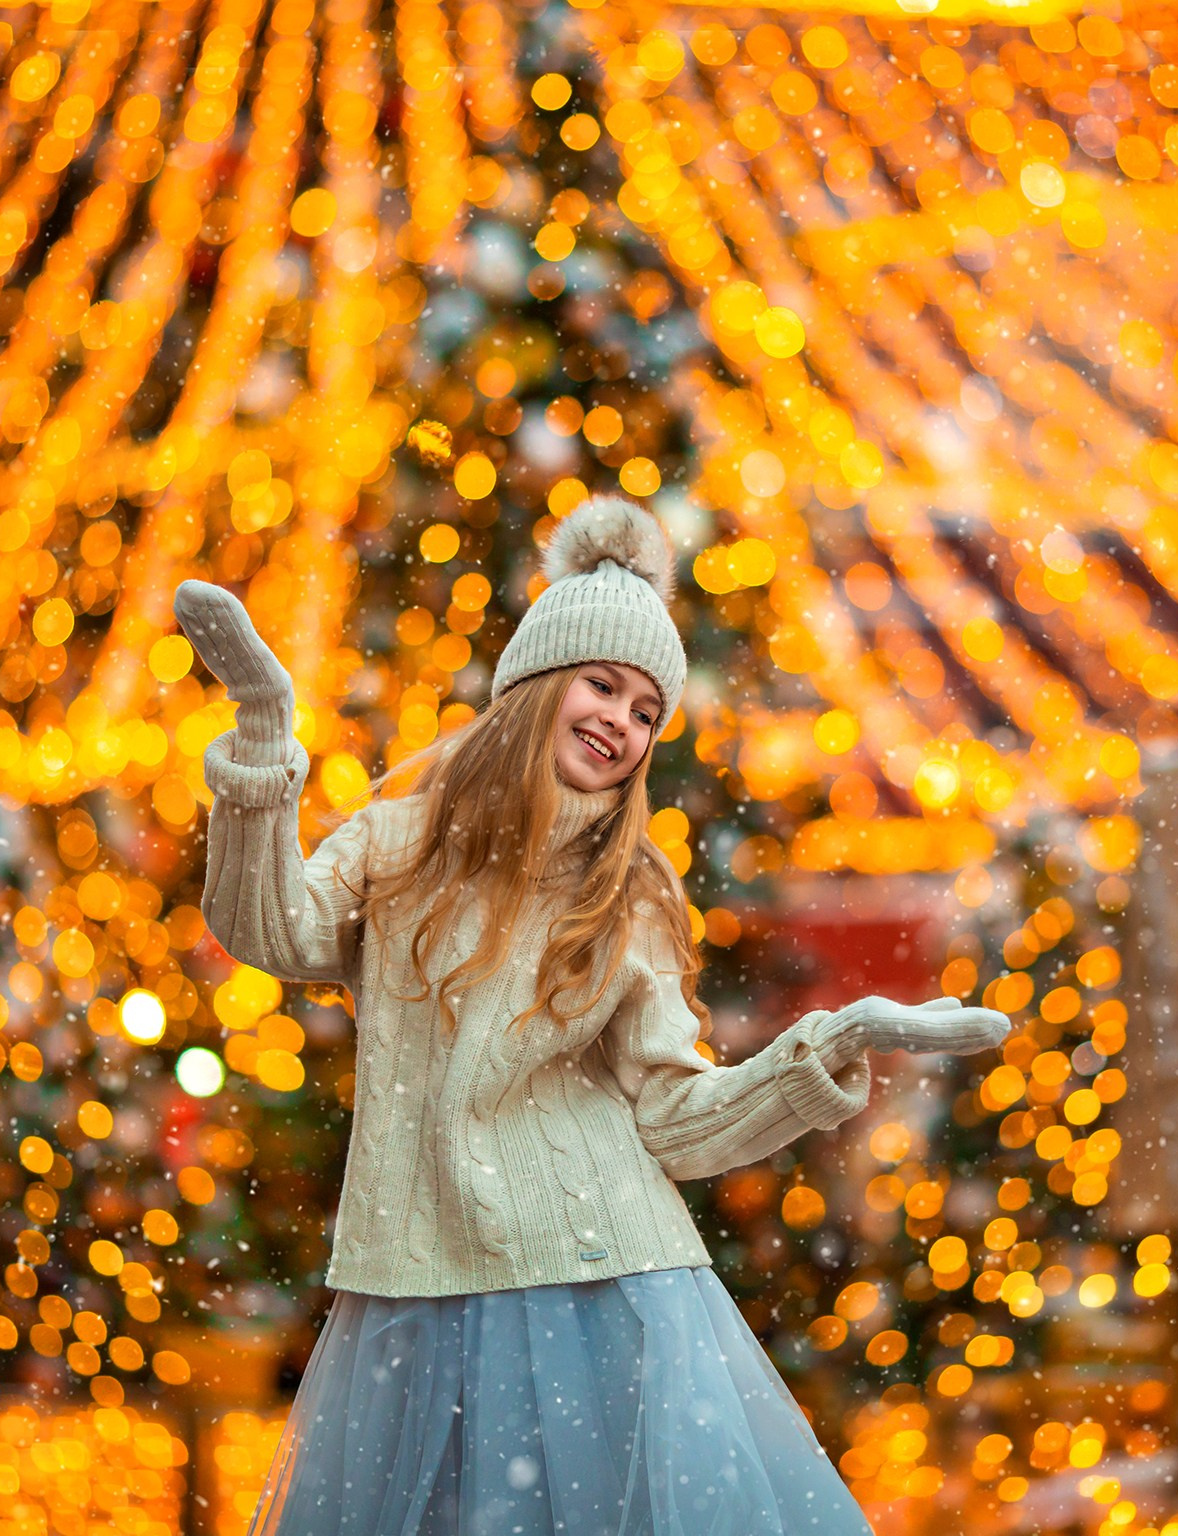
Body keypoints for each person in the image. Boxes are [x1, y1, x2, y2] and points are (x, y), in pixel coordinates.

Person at [174, 495, 1010, 1535]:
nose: (621, 720)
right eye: (602, 685)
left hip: (606, 1279)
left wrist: (826, 1047)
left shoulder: (629, 895)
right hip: (414, 1281)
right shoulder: (399, 843)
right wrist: (262, 737)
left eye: (646, 711)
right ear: (534, 685)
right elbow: (267, 928)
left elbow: (675, 1118)